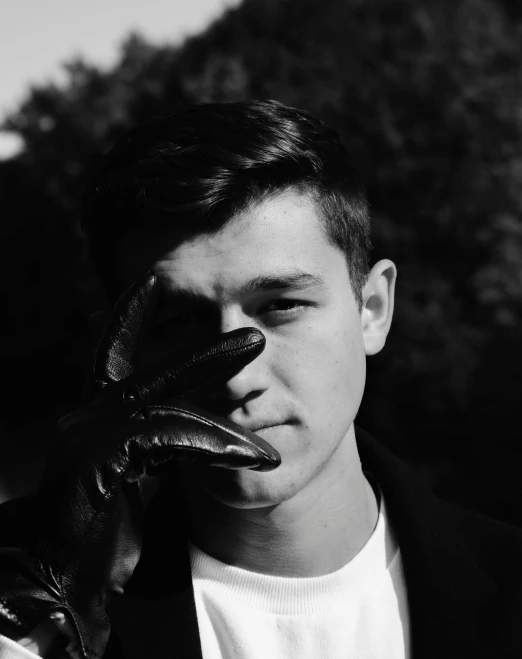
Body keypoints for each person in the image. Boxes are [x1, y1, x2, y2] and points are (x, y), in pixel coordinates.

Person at [0, 99, 521, 659]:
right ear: (118, 350)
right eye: (178, 322)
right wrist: (41, 617)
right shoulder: (26, 594)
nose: (234, 379)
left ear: (372, 307)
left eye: (282, 305)